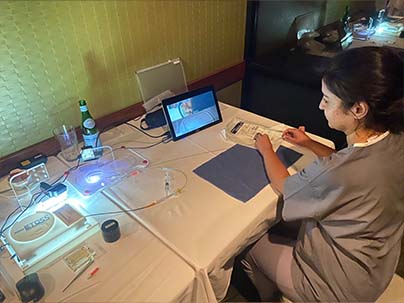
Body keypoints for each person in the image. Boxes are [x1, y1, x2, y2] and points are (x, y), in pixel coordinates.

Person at [241, 46, 404, 302]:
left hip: (336, 288)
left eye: (327, 100)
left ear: (359, 110)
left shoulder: (337, 173)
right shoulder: (395, 138)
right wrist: (308, 143)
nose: (320, 105)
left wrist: (266, 149)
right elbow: (348, 160)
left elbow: (285, 185)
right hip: (376, 267)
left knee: (248, 246)